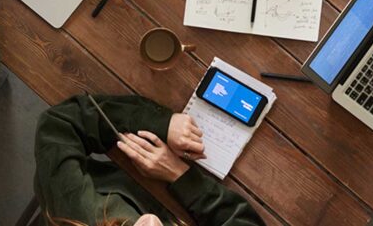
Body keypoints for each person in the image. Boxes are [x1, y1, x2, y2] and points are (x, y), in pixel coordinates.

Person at [34, 93, 265, 226]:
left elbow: (59, 126)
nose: (151, 222)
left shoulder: (76, 213)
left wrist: (159, 124)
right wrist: (180, 176)